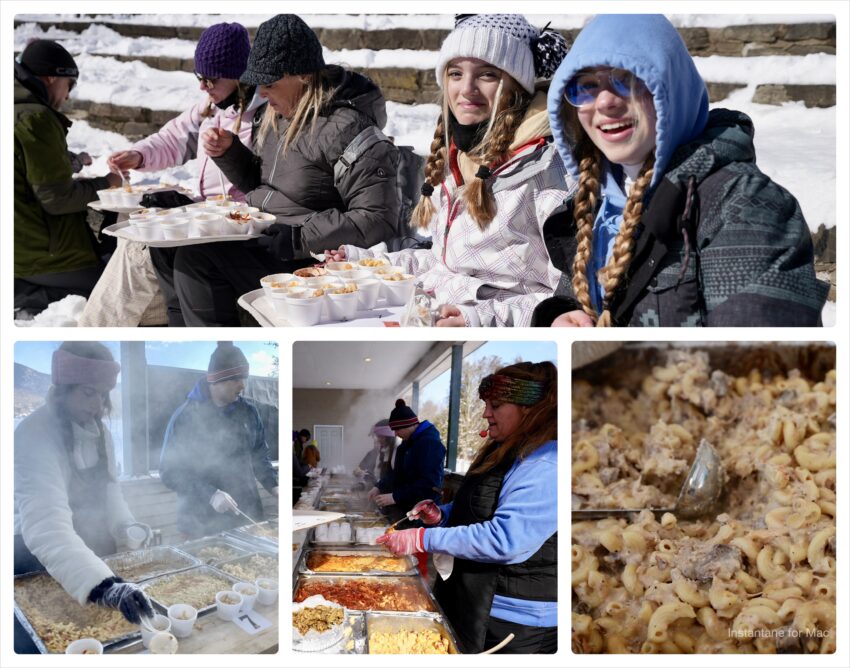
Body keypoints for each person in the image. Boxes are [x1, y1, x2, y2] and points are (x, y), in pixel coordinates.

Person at [533, 14, 829, 327]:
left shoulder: (744, 206)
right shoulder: (593, 199)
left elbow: (760, 365)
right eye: (587, 86)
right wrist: (559, 317)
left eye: (628, 79)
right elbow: (578, 304)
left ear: (671, 88)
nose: (605, 101)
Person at [152, 14, 401, 326]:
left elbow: (378, 217)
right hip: (268, 237)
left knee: (196, 260)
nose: (262, 94)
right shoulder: (277, 116)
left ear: (303, 77)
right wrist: (231, 154)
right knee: (167, 246)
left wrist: (299, 238)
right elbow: (265, 184)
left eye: (269, 84)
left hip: (307, 258)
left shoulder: (347, 128)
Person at [325, 14, 572, 327]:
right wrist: (366, 263)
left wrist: (478, 320)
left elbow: (565, 306)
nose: (466, 88)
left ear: (517, 85)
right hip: (430, 318)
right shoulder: (458, 161)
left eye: (487, 75)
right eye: (456, 73)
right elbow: (444, 265)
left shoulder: (545, 172)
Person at [79, 22, 264, 328]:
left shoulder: (265, 116)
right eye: (199, 78)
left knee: (139, 248)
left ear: (239, 75)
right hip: (207, 219)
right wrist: (138, 156)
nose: (202, 87)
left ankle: (91, 335)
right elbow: (174, 138)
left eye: (210, 79)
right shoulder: (211, 106)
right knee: (138, 237)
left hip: (240, 229)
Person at [378, 362, 557, 654]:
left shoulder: (547, 462)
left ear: (529, 408)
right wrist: (442, 514)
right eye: (486, 404)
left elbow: (505, 539)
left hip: (514, 622)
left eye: (495, 405)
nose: (486, 413)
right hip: (473, 599)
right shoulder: (507, 452)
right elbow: (481, 506)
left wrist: (421, 538)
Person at [14, 343, 155, 652]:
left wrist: (126, 527)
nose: (97, 404)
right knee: (52, 638)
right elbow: (46, 527)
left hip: (86, 553)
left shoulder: (101, 432)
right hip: (36, 555)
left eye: (103, 395)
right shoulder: (32, 434)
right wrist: (104, 586)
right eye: (88, 393)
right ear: (62, 389)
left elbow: (110, 490)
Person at [14, 40, 123, 316]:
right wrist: (106, 184)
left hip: (20, 244)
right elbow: (57, 199)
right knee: (112, 289)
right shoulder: (35, 118)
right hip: (39, 253)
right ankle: (27, 297)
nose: (67, 96)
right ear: (52, 77)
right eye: (69, 85)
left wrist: (70, 162)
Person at [159, 343, 279, 539]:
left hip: (246, 515)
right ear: (217, 380)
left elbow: (259, 455)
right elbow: (170, 472)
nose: (243, 385)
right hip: (200, 522)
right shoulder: (185, 418)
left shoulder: (249, 412)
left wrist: (274, 486)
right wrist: (210, 494)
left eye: (244, 378)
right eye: (236, 379)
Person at [367, 400, 445, 520]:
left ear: (409, 425)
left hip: (424, 512)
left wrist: (395, 497)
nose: (396, 434)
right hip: (406, 507)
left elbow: (429, 484)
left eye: (397, 430)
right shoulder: (406, 443)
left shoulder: (429, 443)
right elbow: (397, 472)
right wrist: (379, 486)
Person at [354, 419, 396, 488]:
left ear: (389, 436)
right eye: (376, 436)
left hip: (393, 496)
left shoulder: (397, 452)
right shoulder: (382, 453)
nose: (376, 439)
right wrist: (364, 485)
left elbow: (399, 481)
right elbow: (378, 479)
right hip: (383, 494)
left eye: (379, 436)